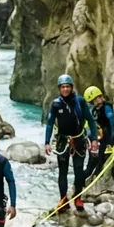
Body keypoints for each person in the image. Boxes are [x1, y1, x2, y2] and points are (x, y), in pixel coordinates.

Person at [43, 74, 92, 211]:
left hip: (78, 139)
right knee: (62, 172)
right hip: (63, 141)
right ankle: (63, 199)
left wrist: (93, 139)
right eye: (63, 87)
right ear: (59, 89)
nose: (65, 89)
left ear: (71, 87)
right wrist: (47, 142)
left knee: (78, 170)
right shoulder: (55, 104)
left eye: (67, 87)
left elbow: (90, 120)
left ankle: (78, 197)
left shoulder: (80, 102)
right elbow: (50, 123)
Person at [85, 85, 114, 183]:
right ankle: (83, 178)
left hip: (107, 137)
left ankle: (97, 172)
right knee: (91, 164)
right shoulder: (95, 110)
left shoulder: (106, 107)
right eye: (94, 101)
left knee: (99, 159)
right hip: (100, 137)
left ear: (100, 97)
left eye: (97, 99)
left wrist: (112, 138)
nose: (96, 102)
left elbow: (111, 121)